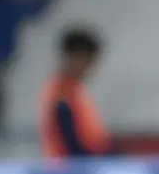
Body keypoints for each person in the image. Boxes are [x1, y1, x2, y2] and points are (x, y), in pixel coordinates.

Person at [40, 27, 116, 160]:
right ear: (74, 57)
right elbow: (71, 139)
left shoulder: (75, 90)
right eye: (88, 61)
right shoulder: (62, 92)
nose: (90, 68)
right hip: (74, 169)